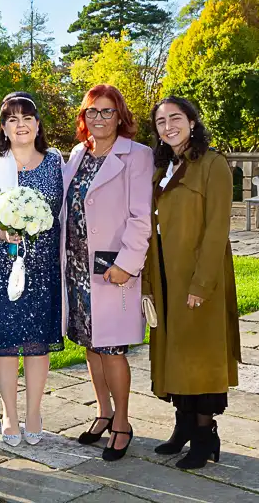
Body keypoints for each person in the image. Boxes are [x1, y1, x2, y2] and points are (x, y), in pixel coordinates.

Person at [0, 92, 64, 446]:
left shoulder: (55, 162)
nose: (21, 125)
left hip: (43, 266)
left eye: (27, 118)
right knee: (5, 343)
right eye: (12, 120)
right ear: (4, 128)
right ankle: (9, 413)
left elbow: (62, 215)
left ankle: (34, 411)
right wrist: (0, 231)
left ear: (38, 124)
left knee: (38, 343)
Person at [142, 96, 240, 469]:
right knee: (176, 353)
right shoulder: (162, 166)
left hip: (199, 277)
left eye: (176, 118)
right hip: (165, 273)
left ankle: (204, 436)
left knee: (201, 357)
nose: (168, 126)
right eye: (161, 121)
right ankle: (182, 428)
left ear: (193, 122)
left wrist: (201, 284)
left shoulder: (213, 164)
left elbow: (218, 229)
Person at [62, 84, 153, 461]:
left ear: (120, 116)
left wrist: (127, 265)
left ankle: (123, 424)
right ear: (84, 118)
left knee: (112, 348)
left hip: (112, 269)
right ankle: (103, 412)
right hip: (76, 266)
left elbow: (140, 217)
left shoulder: (137, 155)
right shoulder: (77, 153)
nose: (99, 118)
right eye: (92, 112)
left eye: (107, 111)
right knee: (91, 345)